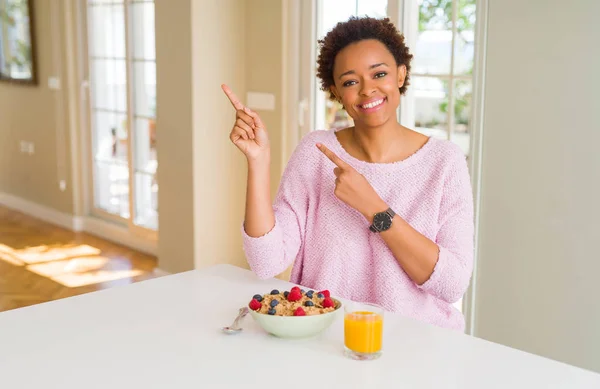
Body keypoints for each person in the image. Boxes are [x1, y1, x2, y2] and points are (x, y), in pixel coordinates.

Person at [221, 16, 474, 332]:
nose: (368, 90)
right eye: (351, 81)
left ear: (400, 74)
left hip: (415, 344)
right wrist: (258, 162)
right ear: (336, 92)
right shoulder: (315, 151)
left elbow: (452, 285)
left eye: (379, 74)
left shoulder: (444, 162)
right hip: (324, 339)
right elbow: (266, 262)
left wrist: (374, 207)